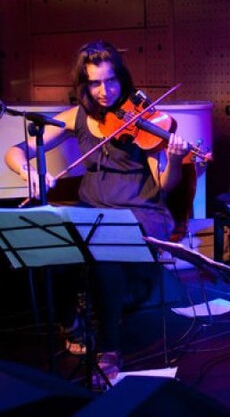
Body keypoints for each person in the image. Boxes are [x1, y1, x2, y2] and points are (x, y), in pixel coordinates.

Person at [4, 40, 190, 381]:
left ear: (122, 77)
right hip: (91, 208)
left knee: (104, 253)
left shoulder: (143, 119)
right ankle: (71, 322)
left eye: (111, 80)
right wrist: (29, 172)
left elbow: (164, 184)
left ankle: (109, 347)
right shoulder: (76, 116)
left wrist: (175, 159)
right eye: (95, 83)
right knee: (49, 248)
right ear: (84, 84)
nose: (105, 91)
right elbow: (15, 152)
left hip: (140, 210)